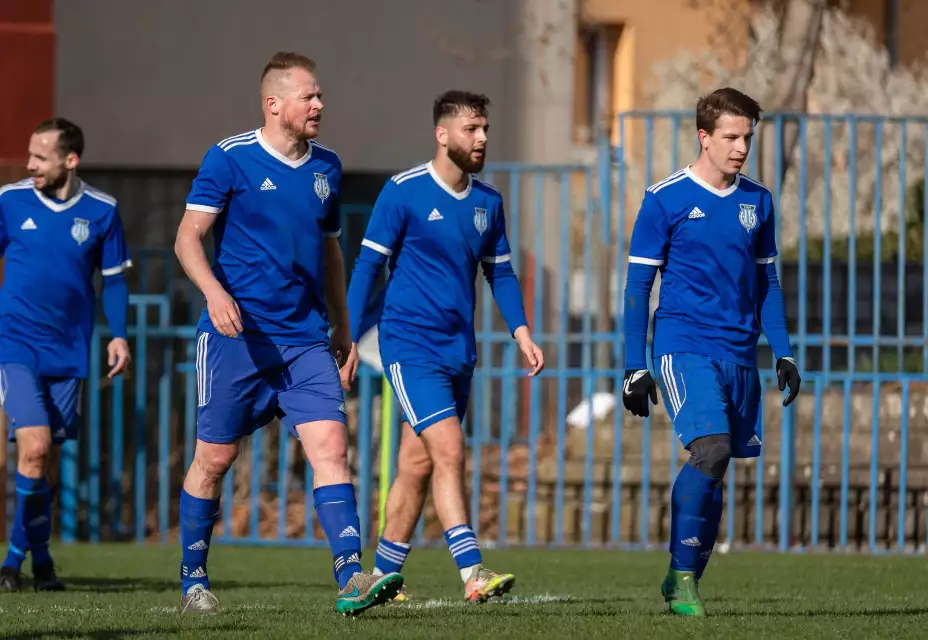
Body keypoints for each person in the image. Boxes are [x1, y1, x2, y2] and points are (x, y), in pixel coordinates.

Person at [173, 51, 403, 616]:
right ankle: (193, 578)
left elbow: (330, 252)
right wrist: (215, 293)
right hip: (237, 337)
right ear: (274, 104)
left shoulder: (327, 166)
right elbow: (187, 238)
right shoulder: (230, 159)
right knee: (214, 460)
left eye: (320, 95)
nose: (320, 104)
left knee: (331, 448)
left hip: (304, 338)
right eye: (309, 96)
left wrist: (343, 331)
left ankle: (351, 577)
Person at [341, 90, 544, 603]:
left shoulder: (487, 202)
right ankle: (473, 572)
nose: (481, 139)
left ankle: (377, 577)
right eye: (471, 130)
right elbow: (366, 268)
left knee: (417, 463)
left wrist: (521, 332)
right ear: (442, 134)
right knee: (450, 450)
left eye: (485, 130)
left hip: (460, 352)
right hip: (409, 347)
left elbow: (500, 273)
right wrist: (344, 337)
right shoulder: (403, 192)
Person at [621, 87, 801, 617]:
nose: (741, 147)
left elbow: (768, 283)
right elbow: (637, 288)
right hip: (683, 346)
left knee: (718, 467)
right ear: (704, 136)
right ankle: (681, 577)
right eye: (731, 137)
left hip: (740, 353)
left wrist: (784, 353)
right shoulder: (665, 199)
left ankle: (683, 577)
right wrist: (635, 365)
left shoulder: (758, 201)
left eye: (748, 136)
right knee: (712, 449)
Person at [0, 118, 132, 592]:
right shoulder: (9, 201)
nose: (30, 165)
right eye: (30, 156)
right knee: (32, 447)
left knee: (44, 463)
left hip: (69, 352)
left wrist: (118, 335)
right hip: (14, 346)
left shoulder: (102, 211)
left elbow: (114, 280)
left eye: (41, 157)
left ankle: (42, 562)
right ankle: (13, 563)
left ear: (70, 161)